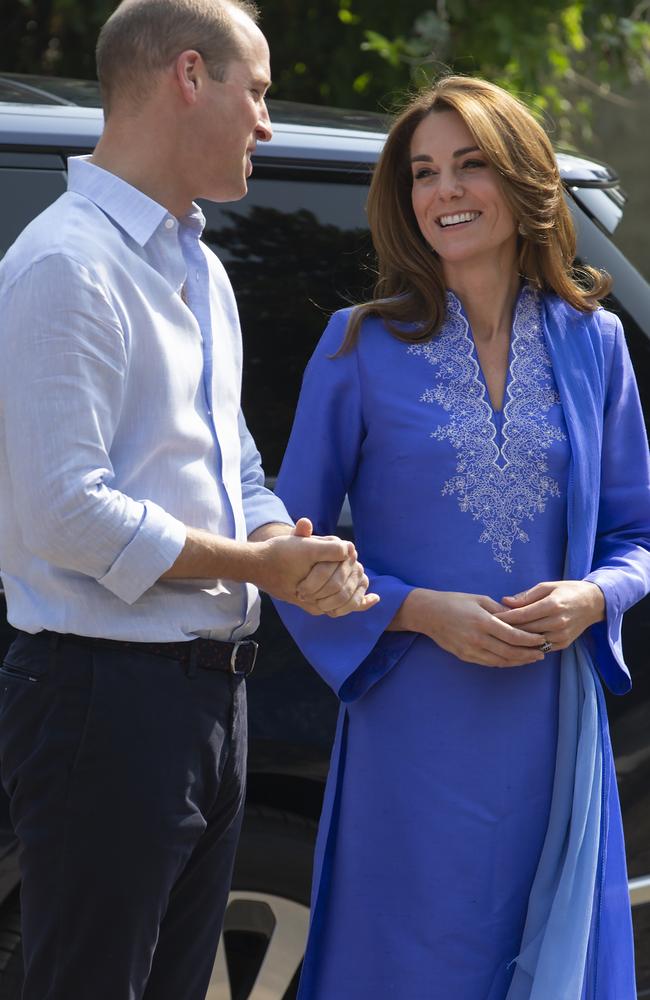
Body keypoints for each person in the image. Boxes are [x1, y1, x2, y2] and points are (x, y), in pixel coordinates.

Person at [0, 1, 378, 998]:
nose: (265, 121)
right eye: (254, 91)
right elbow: (65, 512)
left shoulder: (200, 266)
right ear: (186, 75)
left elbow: (230, 460)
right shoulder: (63, 264)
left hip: (213, 698)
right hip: (100, 698)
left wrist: (277, 542)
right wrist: (258, 566)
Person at [274, 76, 650, 999]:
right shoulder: (353, 346)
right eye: (424, 172)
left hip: (552, 725)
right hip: (411, 725)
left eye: (470, 165)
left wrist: (594, 596)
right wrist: (414, 611)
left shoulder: (594, 341)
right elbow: (287, 554)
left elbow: (638, 534)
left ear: (521, 182)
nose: (444, 191)